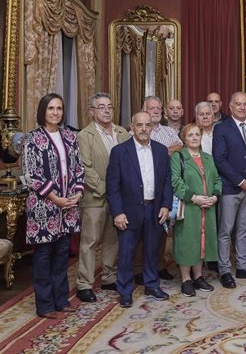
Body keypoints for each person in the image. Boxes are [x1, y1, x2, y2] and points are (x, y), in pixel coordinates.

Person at [24, 93, 84, 318]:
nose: (55, 112)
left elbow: (78, 168)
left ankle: (61, 300)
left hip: (68, 207)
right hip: (43, 208)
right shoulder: (32, 139)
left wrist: (77, 193)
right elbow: (32, 175)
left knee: (62, 255)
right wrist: (55, 197)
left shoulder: (69, 137)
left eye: (59, 108)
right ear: (43, 111)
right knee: (43, 257)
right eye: (51, 108)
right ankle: (45, 305)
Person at [106, 111, 172, 308]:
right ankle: (125, 290)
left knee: (152, 251)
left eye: (147, 125)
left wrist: (166, 205)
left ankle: (152, 285)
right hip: (128, 211)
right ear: (132, 127)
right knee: (126, 253)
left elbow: (168, 181)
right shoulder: (119, 151)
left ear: (152, 127)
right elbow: (112, 186)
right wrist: (118, 212)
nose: (144, 129)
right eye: (139, 125)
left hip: (154, 210)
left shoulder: (161, 150)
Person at [76, 93, 129, 304]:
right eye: (101, 107)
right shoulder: (84, 136)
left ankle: (109, 277)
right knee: (90, 241)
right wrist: (107, 190)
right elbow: (85, 167)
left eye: (109, 106)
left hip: (119, 199)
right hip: (95, 197)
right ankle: (84, 284)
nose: (106, 110)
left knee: (113, 238)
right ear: (92, 111)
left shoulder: (123, 132)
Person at [212, 91, 246, 288]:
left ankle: (242, 267)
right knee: (226, 230)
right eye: (238, 104)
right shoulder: (221, 128)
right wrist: (240, 181)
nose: (242, 107)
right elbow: (220, 159)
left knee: (244, 229)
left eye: (245, 104)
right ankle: (225, 270)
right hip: (230, 188)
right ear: (231, 106)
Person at [171, 123, 221, 297]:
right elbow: (175, 182)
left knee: (202, 240)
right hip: (189, 207)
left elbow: (217, 180)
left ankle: (199, 277)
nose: (194, 138)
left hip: (208, 207)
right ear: (184, 138)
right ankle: (186, 279)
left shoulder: (208, 158)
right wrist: (194, 197)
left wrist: (215, 196)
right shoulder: (178, 157)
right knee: (187, 241)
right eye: (190, 135)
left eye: (197, 135)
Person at [142, 95, 182, 281]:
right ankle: (140, 270)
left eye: (159, 108)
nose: (156, 111)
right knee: (142, 233)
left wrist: (162, 152)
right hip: (144, 189)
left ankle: (158, 266)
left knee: (161, 229)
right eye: (152, 108)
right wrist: (166, 151)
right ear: (144, 111)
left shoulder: (168, 131)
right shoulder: (139, 130)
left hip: (164, 186)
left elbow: (180, 146)